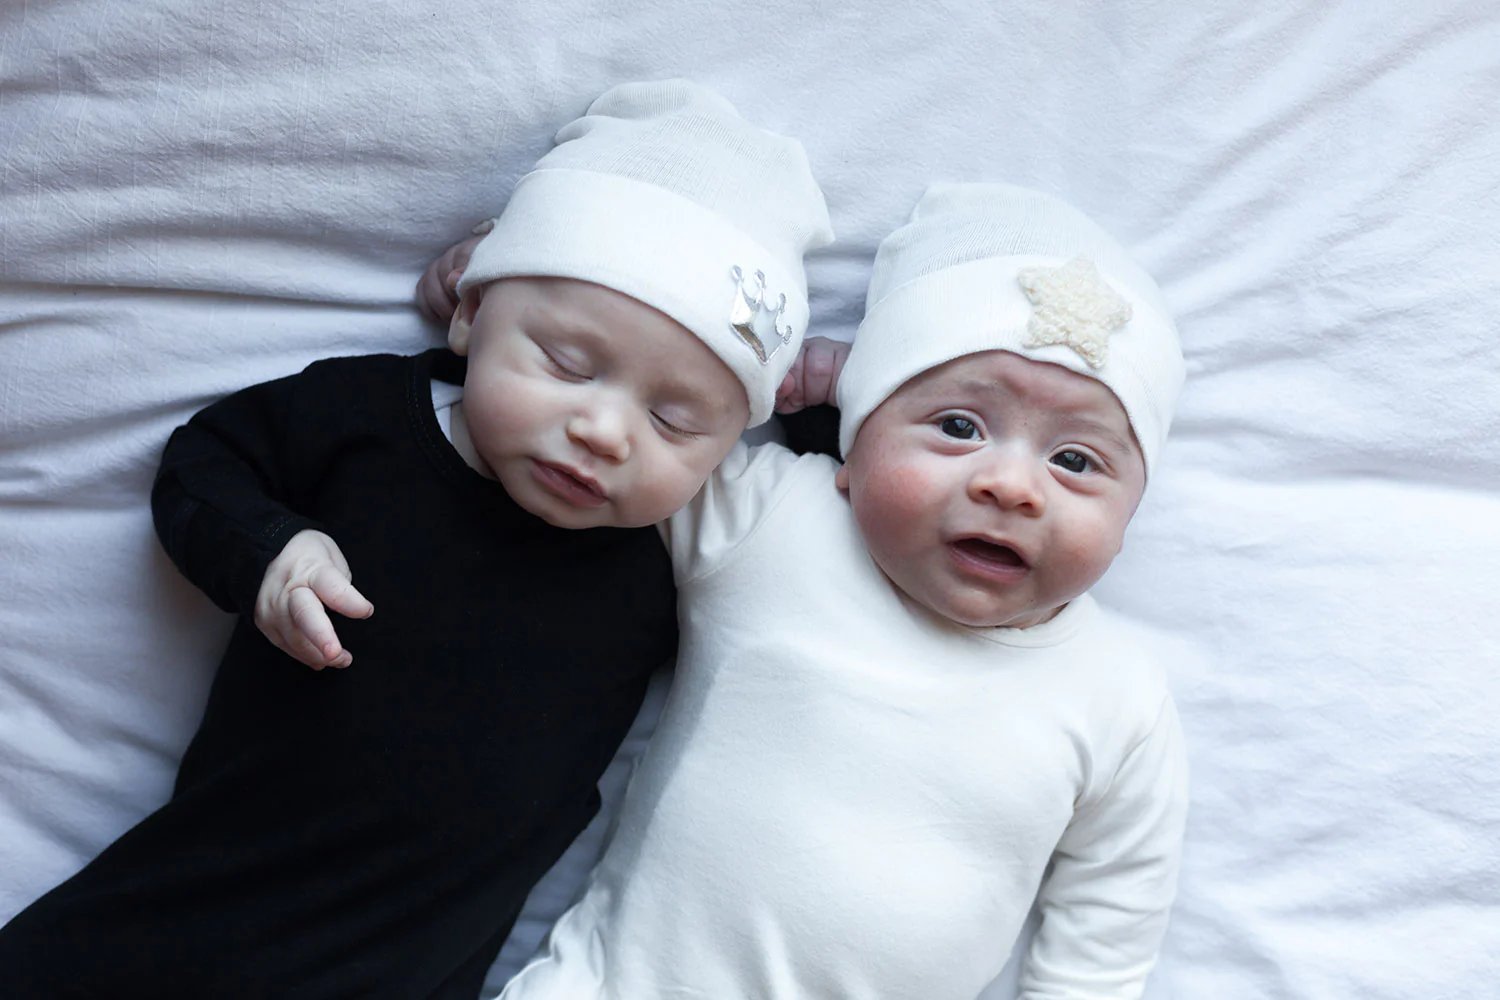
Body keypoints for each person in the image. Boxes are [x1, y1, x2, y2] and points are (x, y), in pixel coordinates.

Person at [0, 78, 832, 999]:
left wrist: (834, 385)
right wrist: (274, 551)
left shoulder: (679, 549)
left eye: (676, 421)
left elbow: (873, 516)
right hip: (196, 910)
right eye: (565, 364)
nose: (605, 430)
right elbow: (205, 460)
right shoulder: (370, 423)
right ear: (471, 314)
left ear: (727, 450)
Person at [497, 182, 1191, 999]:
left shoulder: (1119, 697)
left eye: (1075, 461)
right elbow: (644, 415)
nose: (1011, 485)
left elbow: (1105, 940)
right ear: (857, 442)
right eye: (958, 427)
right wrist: (519, 288)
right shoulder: (773, 516)